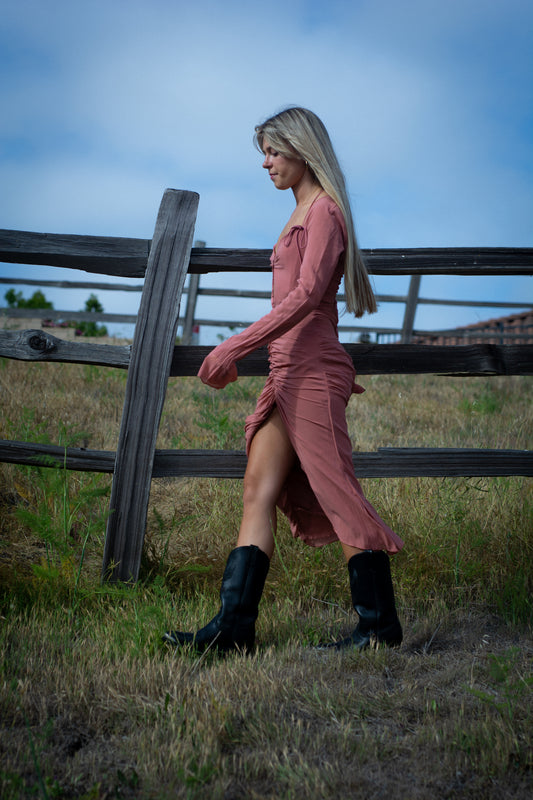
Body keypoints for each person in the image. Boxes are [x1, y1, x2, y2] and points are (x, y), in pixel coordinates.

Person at [164, 107, 404, 654]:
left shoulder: (324, 212)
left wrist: (233, 345)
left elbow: (303, 296)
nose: (266, 163)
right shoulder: (300, 210)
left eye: (273, 151)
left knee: (338, 493)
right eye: (263, 153)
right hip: (284, 374)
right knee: (258, 489)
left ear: (302, 149)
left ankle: (379, 629)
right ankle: (233, 630)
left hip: (314, 374)